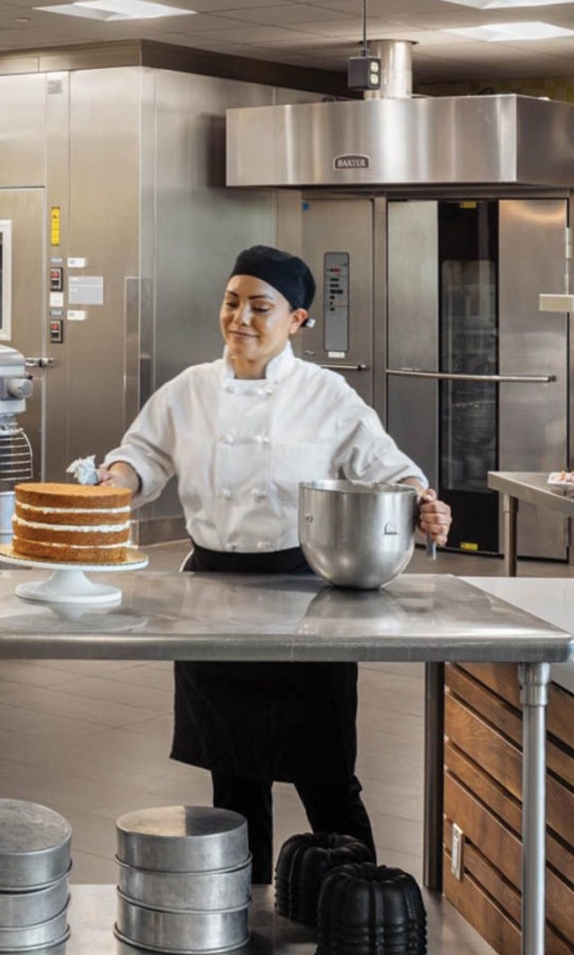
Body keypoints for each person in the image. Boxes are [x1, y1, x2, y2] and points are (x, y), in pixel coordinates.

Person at [98, 245, 452, 884]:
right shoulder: (189, 391)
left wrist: (425, 503)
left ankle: (363, 907)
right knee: (233, 779)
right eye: (232, 303)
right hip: (211, 596)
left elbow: (390, 470)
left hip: (305, 597)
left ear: (298, 321)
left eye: (261, 308)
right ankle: (245, 914)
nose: (241, 319)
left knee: (327, 774)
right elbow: (141, 455)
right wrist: (113, 485)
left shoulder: (326, 396)